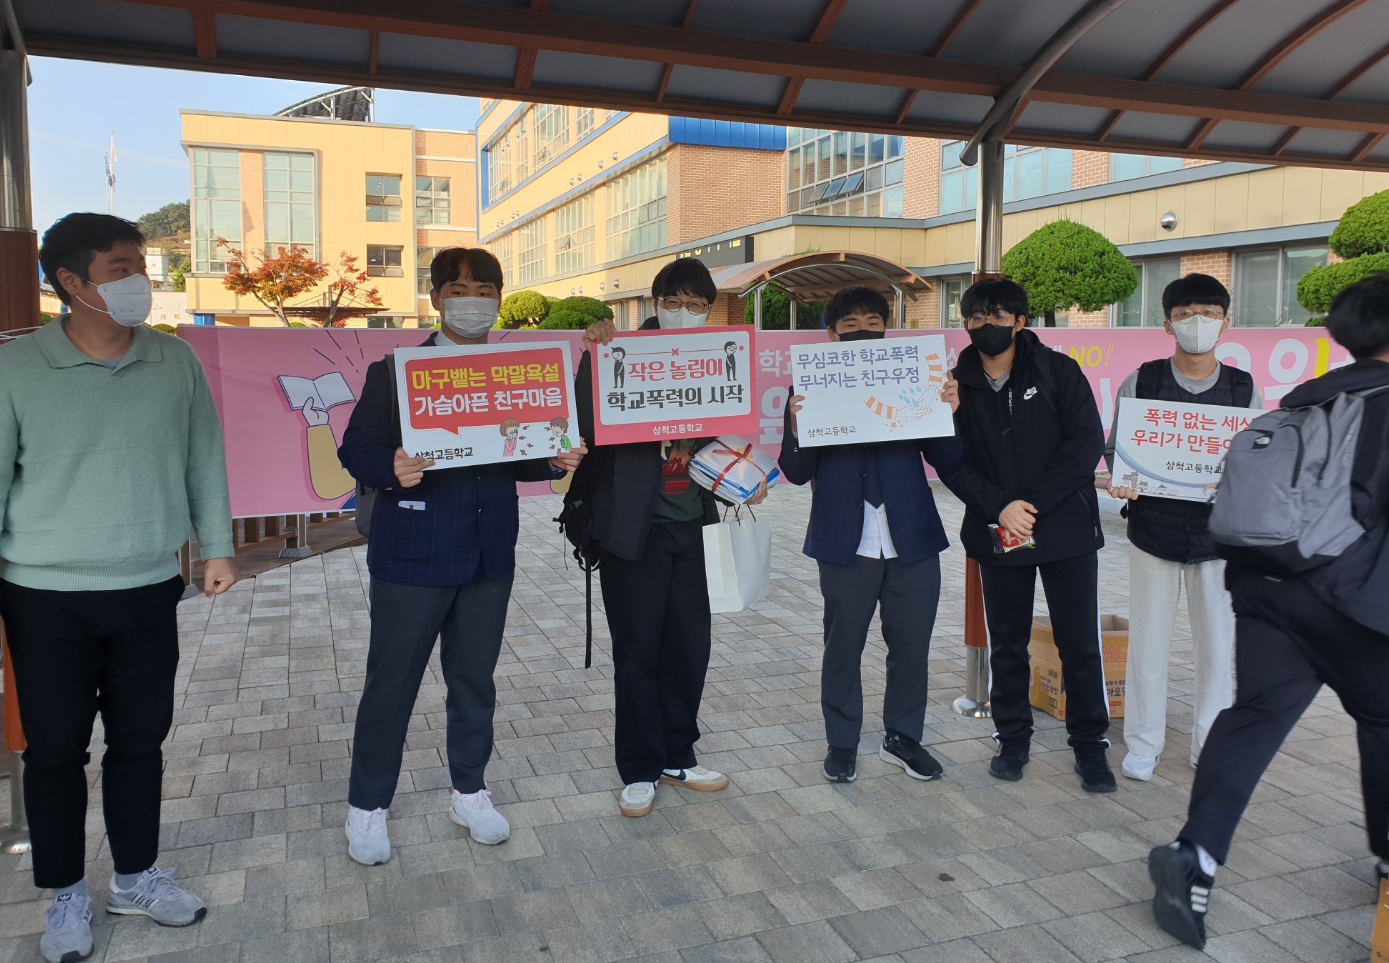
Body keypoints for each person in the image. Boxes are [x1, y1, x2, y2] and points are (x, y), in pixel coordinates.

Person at [0, 213, 238, 963]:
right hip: (44, 596)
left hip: (148, 586)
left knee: (139, 742)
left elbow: (204, 457)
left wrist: (219, 548)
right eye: (121, 269)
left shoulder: (173, 360)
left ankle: (135, 877)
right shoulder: (12, 370)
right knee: (55, 751)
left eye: (141, 267)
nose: (140, 282)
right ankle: (65, 892)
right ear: (71, 282)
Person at [1150, 273, 1389, 951]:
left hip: (1264, 587)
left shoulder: (1308, 396)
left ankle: (1195, 856)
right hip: (1356, 600)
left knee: (1253, 717)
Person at [336, 247, 584, 866]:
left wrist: (554, 460)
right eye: (459, 290)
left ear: (500, 299)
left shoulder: (518, 373)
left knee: (474, 680)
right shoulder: (396, 372)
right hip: (412, 553)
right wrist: (389, 466)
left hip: (488, 551)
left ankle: (469, 791)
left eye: (484, 290)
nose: (472, 301)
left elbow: (516, 455)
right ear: (436, 299)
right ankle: (368, 804)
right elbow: (355, 448)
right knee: (392, 682)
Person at [571, 257, 759, 817]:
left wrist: (747, 481)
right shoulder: (617, 353)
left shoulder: (716, 357)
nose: (685, 313)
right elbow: (584, 425)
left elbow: (723, 437)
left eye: (697, 304)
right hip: (633, 532)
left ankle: (679, 754)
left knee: (688, 648)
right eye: (674, 302)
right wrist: (594, 355)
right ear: (655, 304)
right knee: (638, 651)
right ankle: (639, 766)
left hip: (695, 527)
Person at [778, 286, 963, 784]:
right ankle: (842, 742)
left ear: (887, 329)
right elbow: (795, 472)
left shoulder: (916, 380)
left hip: (912, 535)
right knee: (842, 646)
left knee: (911, 645)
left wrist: (950, 412)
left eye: (872, 323)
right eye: (851, 326)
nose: (863, 332)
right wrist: (796, 426)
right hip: (845, 536)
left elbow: (949, 461)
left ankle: (903, 738)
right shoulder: (808, 387)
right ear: (831, 334)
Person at [942, 277, 1116, 793]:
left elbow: (1085, 444)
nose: (987, 325)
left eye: (999, 316)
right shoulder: (952, 385)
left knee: (1078, 643)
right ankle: (1013, 737)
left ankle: (1090, 744)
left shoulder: (1058, 370)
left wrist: (1030, 507)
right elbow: (951, 462)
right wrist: (1001, 507)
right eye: (976, 317)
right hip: (997, 530)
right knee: (1008, 644)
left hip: (1064, 529)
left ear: (1020, 322)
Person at [1105, 274, 1261, 783]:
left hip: (1218, 540)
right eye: (1186, 313)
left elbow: (1255, 459)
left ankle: (1209, 744)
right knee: (1148, 644)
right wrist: (1123, 478)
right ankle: (1143, 744)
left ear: (1226, 323)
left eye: (1210, 313)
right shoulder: (1143, 381)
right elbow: (1117, 448)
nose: (1199, 322)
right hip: (1153, 532)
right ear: (1168, 324)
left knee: (1216, 647)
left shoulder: (1244, 387)